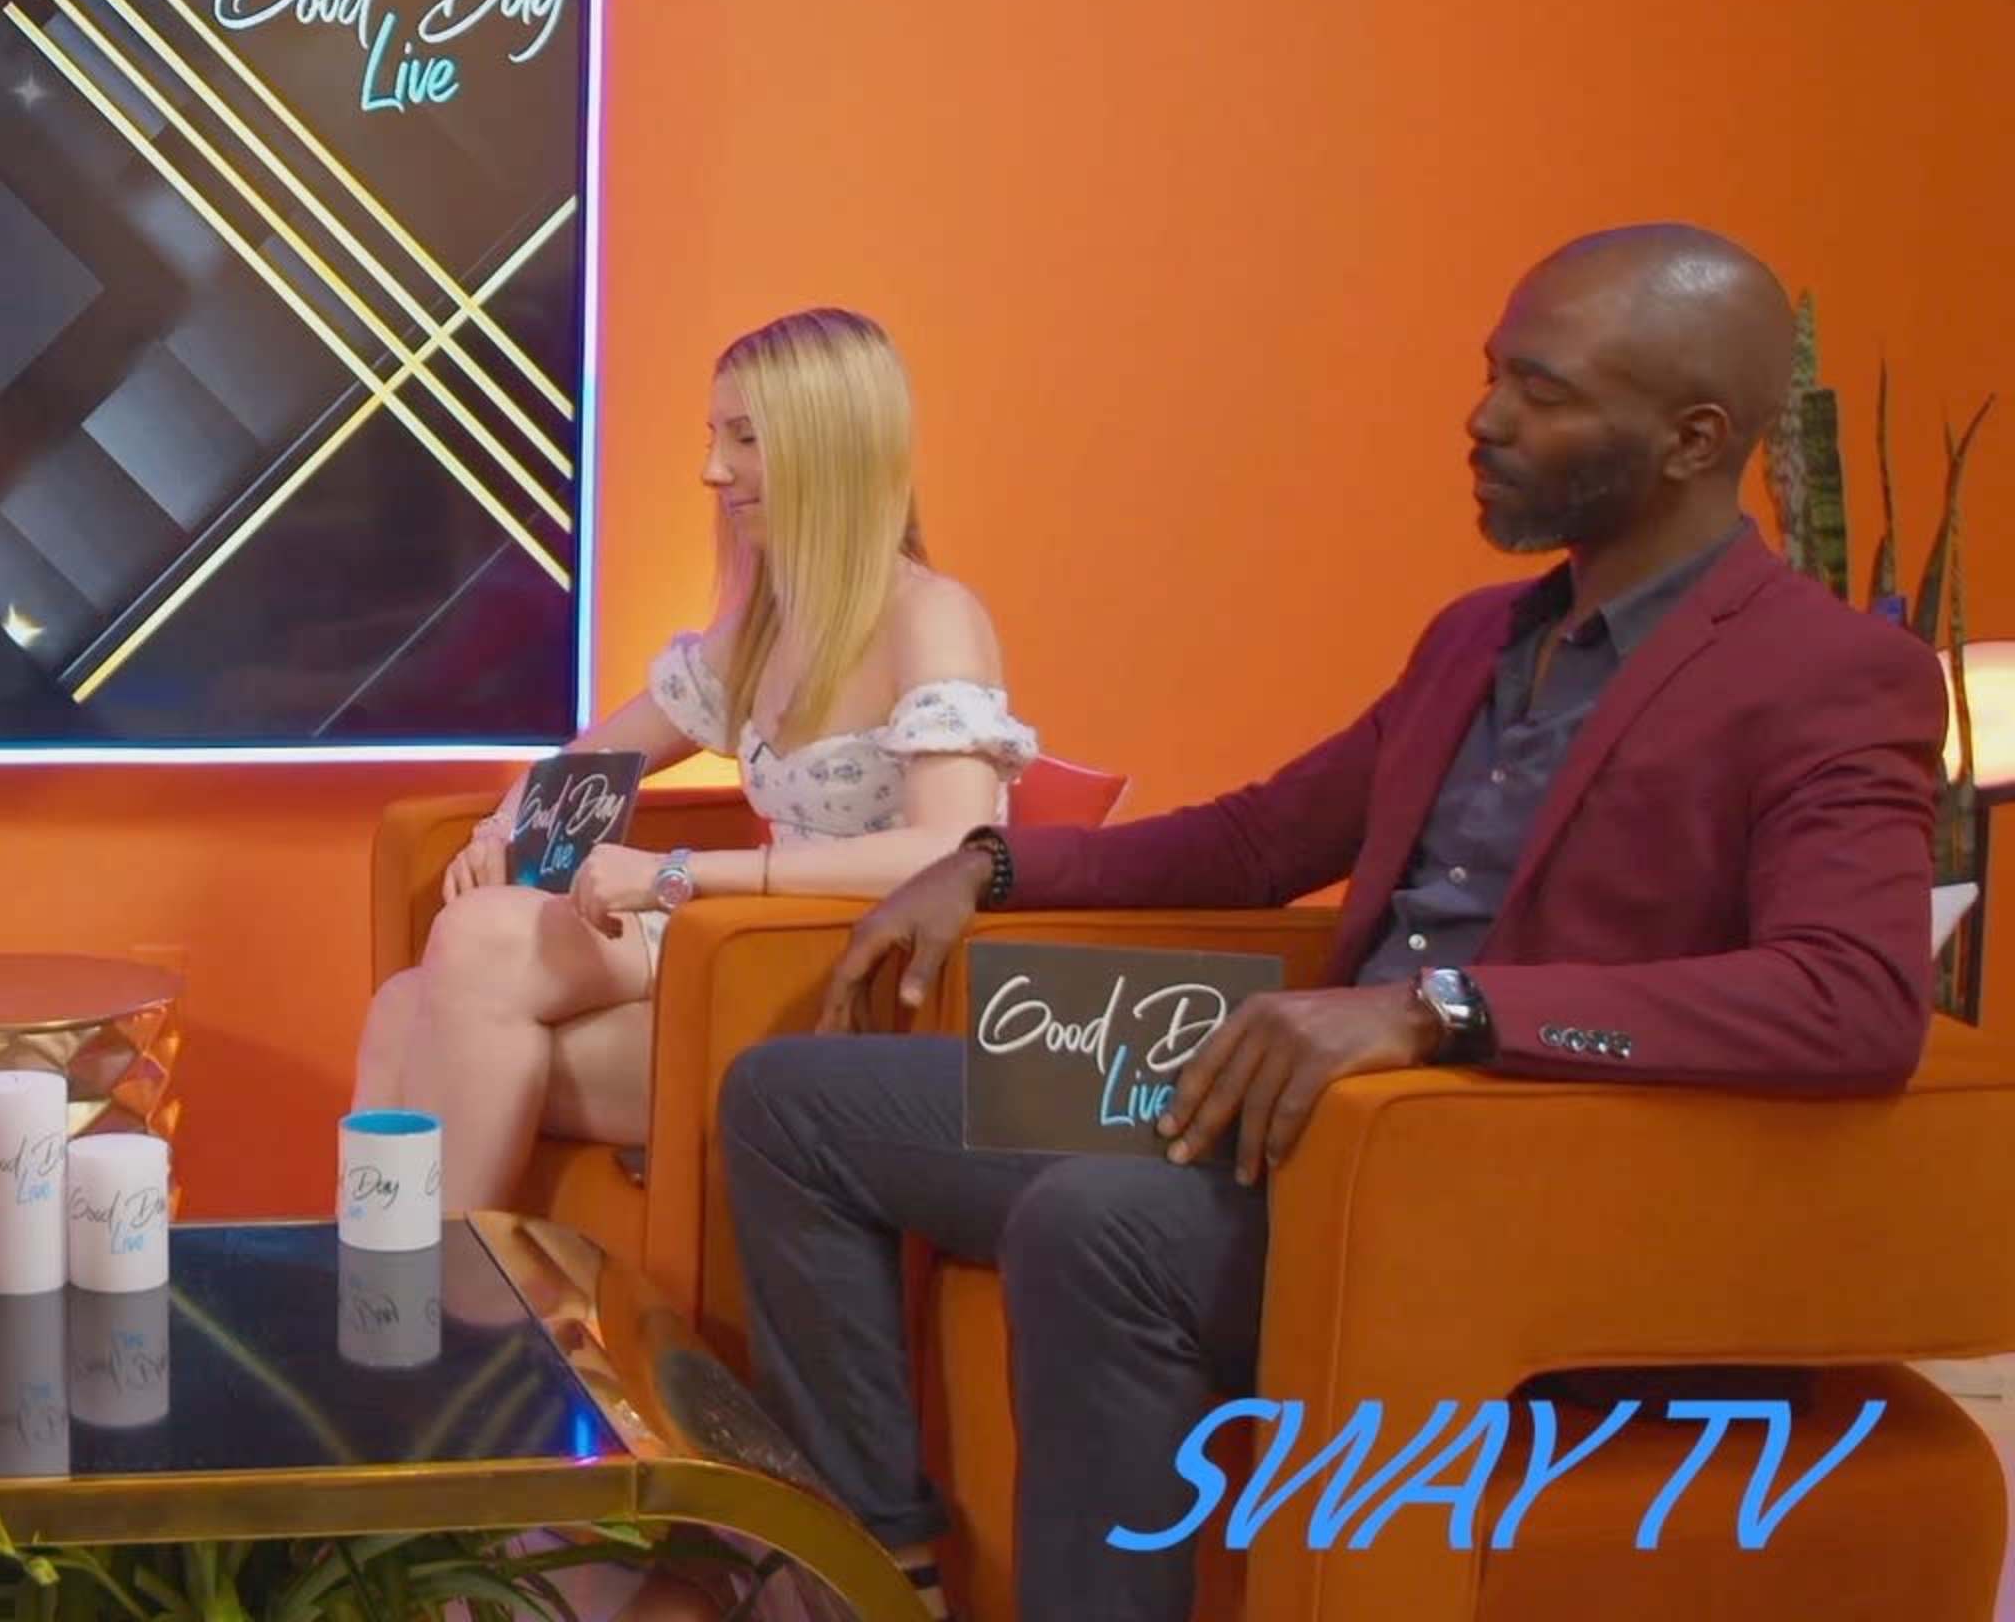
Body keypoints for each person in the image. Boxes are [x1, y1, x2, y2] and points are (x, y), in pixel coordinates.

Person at [721, 226, 1946, 1621]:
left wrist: (1443, 1016)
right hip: (1281, 1120)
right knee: (792, 1102)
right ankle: (873, 1569)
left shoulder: (1835, 676)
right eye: (1492, 374)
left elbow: (1852, 996)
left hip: (1479, 1172)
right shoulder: (1478, 638)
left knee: (1097, 1224)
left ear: (1692, 437)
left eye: (1540, 391)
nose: (1483, 418)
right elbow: (1258, 837)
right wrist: (993, 866)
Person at [351, 309, 1039, 1211]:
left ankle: (432, 1317)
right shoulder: (764, 623)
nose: (712, 470)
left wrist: (679, 873)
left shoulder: (932, 617)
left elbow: (951, 847)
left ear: (829, 447)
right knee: (414, 1001)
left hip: (833, 970)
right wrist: (497, 828)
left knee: (446, 996)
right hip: (728, 940)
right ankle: (382, 1302)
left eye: (746, 439)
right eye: (715, 437)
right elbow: (594, 756)